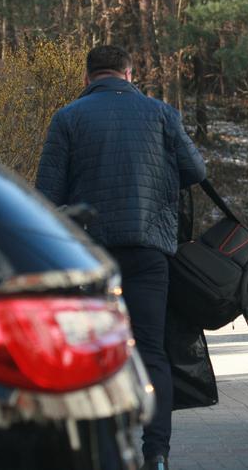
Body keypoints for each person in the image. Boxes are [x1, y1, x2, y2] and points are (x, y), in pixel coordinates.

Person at [35, 45, 206, 470]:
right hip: (149, 248)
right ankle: (157, 454)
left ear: (88, 77)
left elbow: (45, 195)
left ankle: (100, 449)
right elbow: (196, 171)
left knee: (92, 352)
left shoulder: (68, 118)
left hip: (89, 258)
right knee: (151, 350)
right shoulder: (161, 114)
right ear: (130, 75)